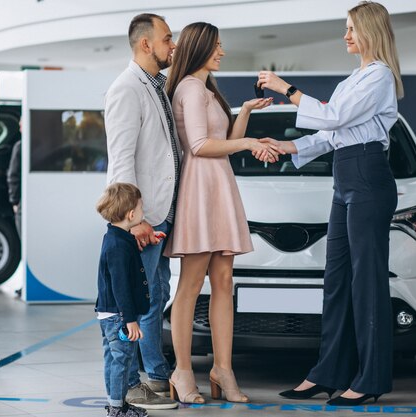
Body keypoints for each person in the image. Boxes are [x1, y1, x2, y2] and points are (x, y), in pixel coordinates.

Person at [257, 1, 403, 405]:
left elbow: (333, 116)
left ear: (370, 31)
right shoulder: (353, 79)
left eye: (352, 29)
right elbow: (327, 133)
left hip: (369, 177)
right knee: (336, 279)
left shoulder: (380, 78)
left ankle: (370, 379)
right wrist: (285, 146)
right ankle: (328, 372)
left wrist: (286, 88)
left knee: (367, 281)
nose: (346, 35)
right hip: (345, 176)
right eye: (345, 28)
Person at [163, 22, 277, 404]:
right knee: (192, 284)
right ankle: (182, 371)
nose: (222, 52)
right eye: (217, 46)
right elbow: (198, 145)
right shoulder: (190, 89)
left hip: (218, 185)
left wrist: (243, 112)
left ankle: (222, 369)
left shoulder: (206, 90)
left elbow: (223, 143)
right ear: (200, 47)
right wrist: (246, 141)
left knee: (224, 281)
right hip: (200, 189)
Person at [104, 13, 179, 410]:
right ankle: (129, 385)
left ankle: (151, 374)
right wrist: (134, 220)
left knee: (156, 295)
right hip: (142, 218)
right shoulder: (126, 89)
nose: (174, 45)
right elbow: (122, 161)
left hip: (160, 213)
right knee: (130, 301)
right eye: (168, 38)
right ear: (145, 44)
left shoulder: (157, 85)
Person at [95, 183, 151, 417]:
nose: (142, 212)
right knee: (121, 360)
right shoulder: (118, 246)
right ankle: (117, 409)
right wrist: (130, 320)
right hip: (119, 316)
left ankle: (115, 403)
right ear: (131, 214)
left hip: (110, 313)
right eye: (141, 208)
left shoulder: (117, 238)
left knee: (113, 358)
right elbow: (121, 287)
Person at [7, 139, 22, 238]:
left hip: (23, 202)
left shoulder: (21, 146)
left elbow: (13, 175)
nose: (20, 123)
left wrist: (15, 201)